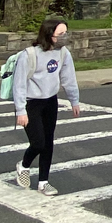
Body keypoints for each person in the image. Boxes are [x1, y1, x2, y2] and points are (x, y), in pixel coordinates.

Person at [13, 19, 80, 196]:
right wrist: (20, 111)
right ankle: (24, 165)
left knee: (48, 142)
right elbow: (19, 85)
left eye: (66, 33)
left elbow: (69, 78)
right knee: (38, 143)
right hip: (31, 103)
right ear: (49, 34)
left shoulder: (63, 53)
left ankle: (43, 182)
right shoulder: (29, 55)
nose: (65, 37)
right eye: (60, 34)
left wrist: (74, 101)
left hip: (50, 101)